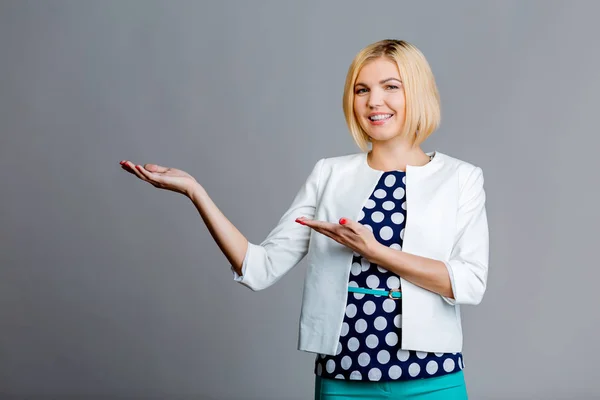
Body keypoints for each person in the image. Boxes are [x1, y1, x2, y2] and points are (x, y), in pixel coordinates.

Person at [120, 39, 488, 400]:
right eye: (362, 90)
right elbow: (259, 267)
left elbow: (468, 282)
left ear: (418, 93)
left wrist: (374, 251)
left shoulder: (461, 177)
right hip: (343, 377)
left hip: (433, 377)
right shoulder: (329, 175)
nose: (374, 101)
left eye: (391, 86)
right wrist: (195, 191)